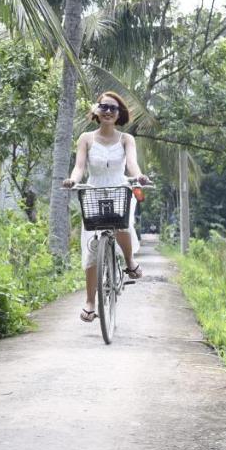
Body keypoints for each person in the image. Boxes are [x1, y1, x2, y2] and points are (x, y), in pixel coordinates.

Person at [61, 92, 151, 323]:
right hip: (93, 190)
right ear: (96, 112)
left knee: (122, 224)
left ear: (119, 114)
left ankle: (130, 262)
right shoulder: (86, 138)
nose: (108, 112)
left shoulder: (126, 139)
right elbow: (79, 167)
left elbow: (131, 164)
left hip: (119, 188)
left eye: (113, 108)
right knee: (91, 248)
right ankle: (91, 302)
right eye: (104, 107)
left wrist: (139, 177)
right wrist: (73, 180)